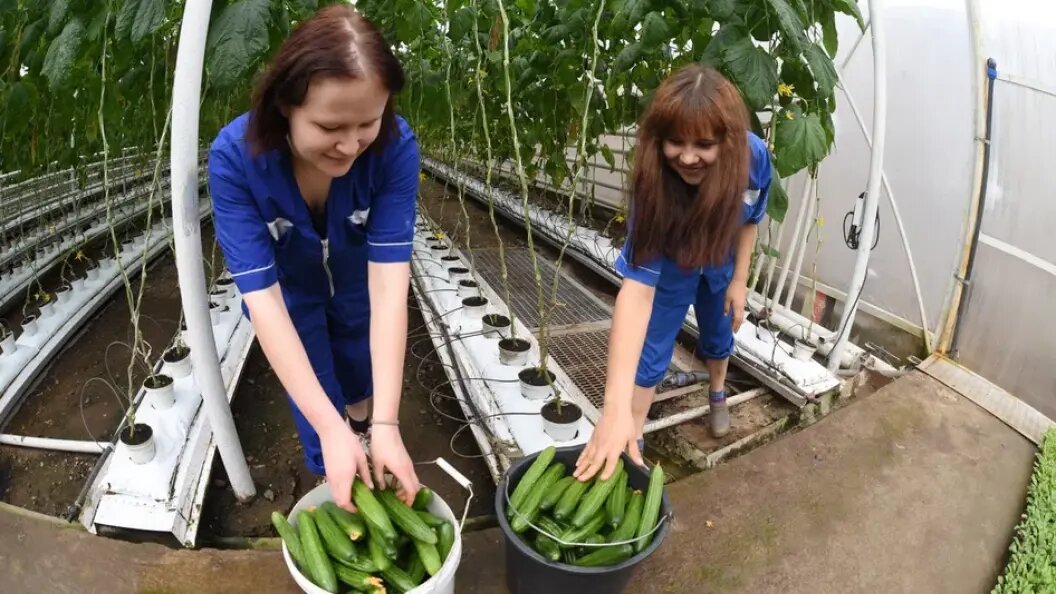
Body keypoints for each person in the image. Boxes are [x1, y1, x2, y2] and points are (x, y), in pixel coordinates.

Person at [208, 5, 421, 508]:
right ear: (286, 105)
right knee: (319, 405)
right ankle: (336, 472)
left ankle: (366, 432)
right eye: (329, 127)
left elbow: (390, 286)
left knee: (360, 374)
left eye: (368, 122)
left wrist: (388, 424)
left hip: (356, 287)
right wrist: (330, 427)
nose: (351, 145)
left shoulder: (394, 149)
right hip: (291, 298)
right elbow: (263, 302)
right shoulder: (236, 159)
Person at [574, 64, 772, 482]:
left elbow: (750, 218)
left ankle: (717, 395)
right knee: (650, 348)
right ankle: (633, 436)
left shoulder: (753, 158)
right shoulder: (653, 185)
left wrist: (739, 281)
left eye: (704, 144)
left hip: (719, 256)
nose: (687, 156)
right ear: (658, 139)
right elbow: (637, 292)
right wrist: (612, 411)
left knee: (719, 334)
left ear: (728, 141)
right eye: (675, 142)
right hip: (674, 262)